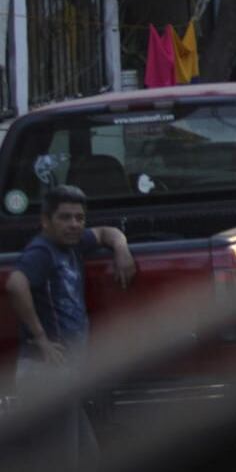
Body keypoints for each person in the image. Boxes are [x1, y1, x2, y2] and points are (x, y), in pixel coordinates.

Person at [5, 185, 136, 470]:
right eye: (65, 217)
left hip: (65, 372)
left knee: (87, 456)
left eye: (79, 217)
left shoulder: (74, 244)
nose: (74, 224)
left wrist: (121, 249)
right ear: (45, 221)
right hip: (46, 374)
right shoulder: (42, 251)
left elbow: (107, 233)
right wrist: (41, 338)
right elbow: (16, 284)